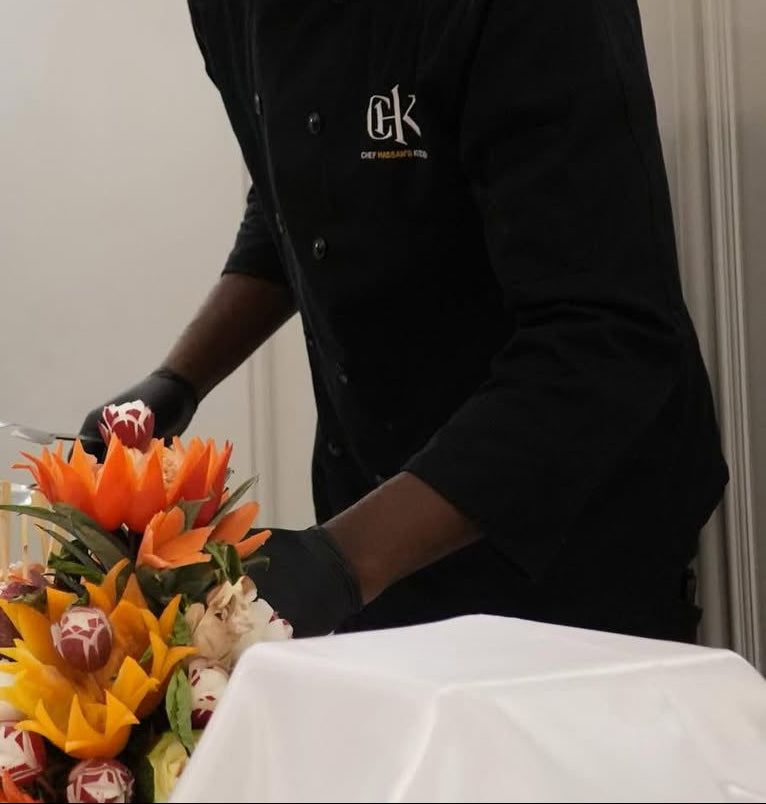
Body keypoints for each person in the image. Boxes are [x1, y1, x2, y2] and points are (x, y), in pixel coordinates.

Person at [76, 1, 728, 643]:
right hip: (379, 533)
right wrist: (180, 380)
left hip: (577, 550)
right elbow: (296, 199)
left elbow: (606, 337)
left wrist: (343, 559)